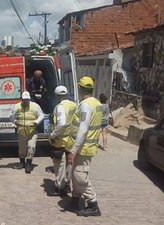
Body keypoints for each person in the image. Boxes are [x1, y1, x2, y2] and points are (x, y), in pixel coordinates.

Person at [67, 76, 103, 217]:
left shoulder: (85, 105)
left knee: (79, 176)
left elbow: (83, 129)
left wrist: (73, 151)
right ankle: (75, 200)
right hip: (87, 146)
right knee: (77, 175)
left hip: (83, 147)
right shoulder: (97, 103)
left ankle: (93, 204)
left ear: (80, 88)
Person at [48, 86, 77, 197]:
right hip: (71, 139)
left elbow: (62, 123)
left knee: (59, 164)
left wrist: (52, 134)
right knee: (69, 163)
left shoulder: (60, 107)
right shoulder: (74, 105)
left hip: (60, 139)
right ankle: (67, 184)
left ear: (57, 95)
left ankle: (60, 187)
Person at [11, 91, 44, 174]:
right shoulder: (17, 106)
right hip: (21, 131)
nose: (26, 101)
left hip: (32, 131)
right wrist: (15, 122)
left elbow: (41, 115)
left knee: (31, 147)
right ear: (21, 99)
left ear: (29, 99)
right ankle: (22, 163)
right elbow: (11, 116)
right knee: (22, 148)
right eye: (24, 100)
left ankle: (29, 163)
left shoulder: (35, 106)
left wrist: (36, 122)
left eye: (27, 100)